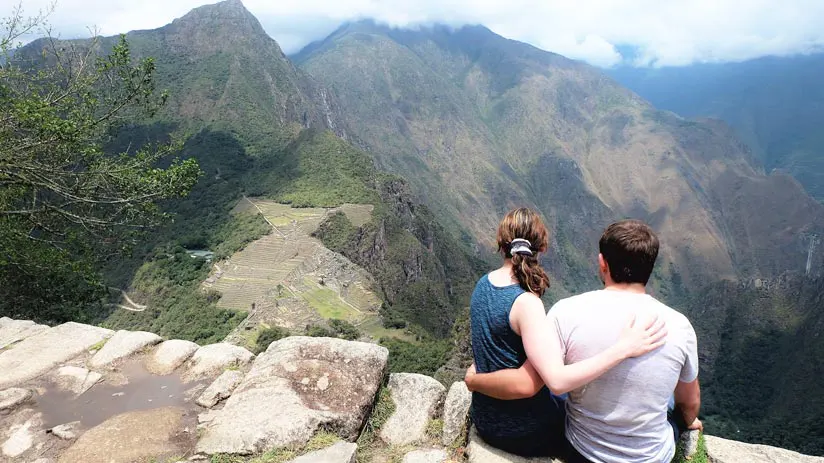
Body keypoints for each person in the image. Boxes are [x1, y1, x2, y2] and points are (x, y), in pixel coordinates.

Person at [466, 219, 701, 463]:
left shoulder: (565, 311)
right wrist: (689, 419)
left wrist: (474, 380)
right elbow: (690, 403)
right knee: (674, 401)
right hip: (650, 458)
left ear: (602, 263)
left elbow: (551, 381)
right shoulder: (680, 326)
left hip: (582, 451)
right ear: (651, 265)